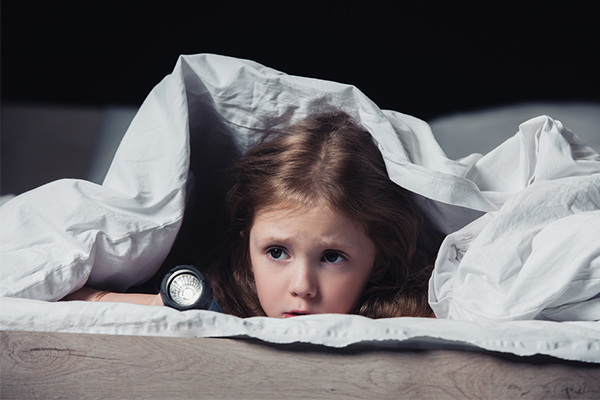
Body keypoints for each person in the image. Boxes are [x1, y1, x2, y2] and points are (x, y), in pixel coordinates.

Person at [63, 111, 444, 318]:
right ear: (247, 244)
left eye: (332, 257)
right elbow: (66, 298)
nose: (302, 286)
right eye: (277, 252)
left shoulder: (410, 321)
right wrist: (160, 305)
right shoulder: (219, 301)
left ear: (377, 262)